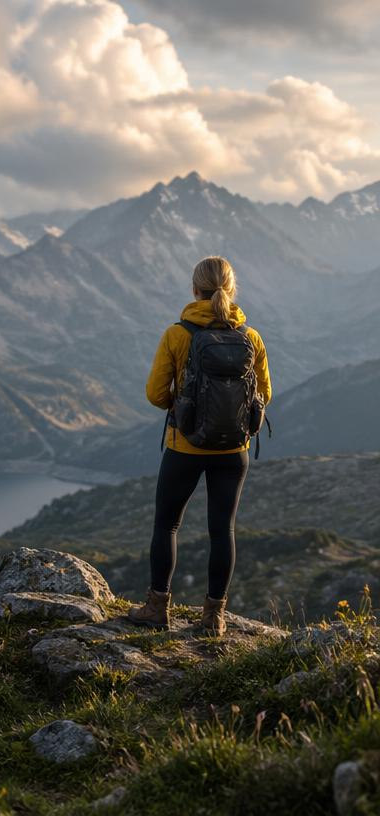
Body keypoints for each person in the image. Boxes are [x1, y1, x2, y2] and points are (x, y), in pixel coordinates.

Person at [127, 256, 271, 636]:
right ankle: (213, 617)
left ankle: (158, 608)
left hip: (184, 448)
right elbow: (265, 394)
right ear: (231, 289)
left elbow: (156, 394)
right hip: (233, 452)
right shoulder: (251, 337)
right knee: (223, 531)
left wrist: (185, 404)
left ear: (195, 289)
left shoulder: (178, 335)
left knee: (168, 524)